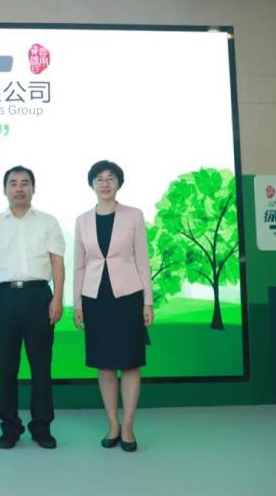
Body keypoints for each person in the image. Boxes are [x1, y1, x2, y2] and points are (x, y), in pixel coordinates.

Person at [0, 166, 65, 449]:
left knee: (41, 367)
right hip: (4, 299)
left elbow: (57, 263)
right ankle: (9, 427)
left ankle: (42, 427)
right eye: (13, 183)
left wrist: (57, 298)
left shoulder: (48, 222)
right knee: (7, 368)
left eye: (25, 183)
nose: (19, 188)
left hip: (39, 297)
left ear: (33, 188)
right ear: (5, 190)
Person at [73, 160, 154, 453]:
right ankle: (113, 424)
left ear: (119, 183)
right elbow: (80, 265)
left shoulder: (134, 215)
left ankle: (128, 426)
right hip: (95, 298)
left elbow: (142, 261)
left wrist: (147, 301)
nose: (105, 183)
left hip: (128, 296)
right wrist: (77, 304)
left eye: (110, 178)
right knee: (104, 363)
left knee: (130, 362)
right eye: (99, 178)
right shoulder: (82, 220)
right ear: (92, 184)